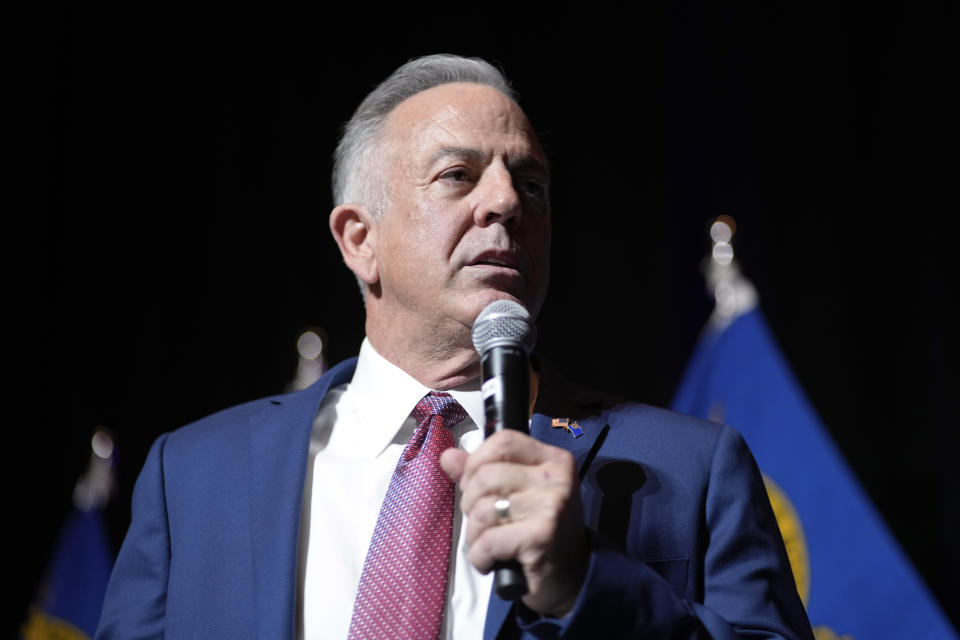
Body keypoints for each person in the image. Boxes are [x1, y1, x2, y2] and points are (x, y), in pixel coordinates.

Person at [96, 54, 814, 639]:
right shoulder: (193, 475)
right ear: (359, 239)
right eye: (458, 176)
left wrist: (585, 585)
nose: (506, 202)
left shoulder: (689, 468)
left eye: (530, 185)